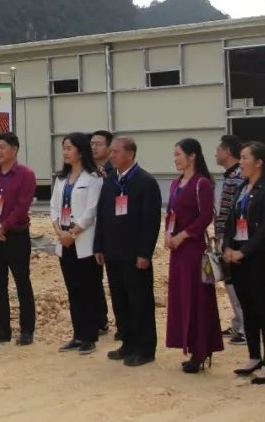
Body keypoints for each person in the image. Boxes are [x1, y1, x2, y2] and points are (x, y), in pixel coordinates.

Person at [94, 136, 162, 367]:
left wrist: (145, 253)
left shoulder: (145, 181)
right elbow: (102, 215)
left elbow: (150, 222)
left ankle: (145, 348)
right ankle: (128, 343)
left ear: (130, 154)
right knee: (120, 301)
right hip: (113, 252)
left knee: (139, 301)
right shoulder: (111, 180)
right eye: (110, 151)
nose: (110, 155)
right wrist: (99, 245)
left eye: (115, 152)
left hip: (135, 254)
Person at [222, 141, 265, 385]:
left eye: (245, 158)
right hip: (235, 254)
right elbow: (230, 220)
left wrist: (244, 251)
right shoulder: (242, 187)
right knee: (246, 306)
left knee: (262, 307)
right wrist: (227, 246)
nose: (241, 162)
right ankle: (254, 356)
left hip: (255, 256)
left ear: (259, 162)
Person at [164, 138, 224, 372]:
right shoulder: (175, 183)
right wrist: (168, 234)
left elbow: (206, 215)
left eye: (179, 154)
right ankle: (188, 344)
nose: (175, 158)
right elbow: (171, 213)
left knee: (197, 297)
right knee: (181, 296)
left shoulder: (202, 183)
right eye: (175, 154)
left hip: (193, 247)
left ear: (192, 156)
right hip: (177, 249)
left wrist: (184, 235)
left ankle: (201, 349)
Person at [0, 132, 38, 345]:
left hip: (16, 236)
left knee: (22, 282)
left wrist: (3, 226)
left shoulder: (26, 174)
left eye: (2, 147)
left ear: (14, 150)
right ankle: (3, 329)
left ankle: (27, 330)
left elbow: (22, 207)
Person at [50, 133, 104, 355]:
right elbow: (53, 207)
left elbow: (91, 212)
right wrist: (59, 232)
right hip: (65, 242)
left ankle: (90, 337)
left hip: (84, 242)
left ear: (80, 152)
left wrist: (72, 233)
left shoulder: (94, 179)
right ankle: (77, 334)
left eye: (69, 148)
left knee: (88, 290)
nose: (64, 152)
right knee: (73, 290)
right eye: (63, 148)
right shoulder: (61, 179)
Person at [214, 135, 247, 346]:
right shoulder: (230, 175)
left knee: (236, 281)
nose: (216, 153)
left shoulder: (238, 175)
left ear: (227, 152)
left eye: (218, 149)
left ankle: (245, 328)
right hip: (224, 234)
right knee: (229, 280)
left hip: (234, 236)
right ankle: (238, 322)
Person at [89, 129, 115, 336]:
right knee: (93, 278)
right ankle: (99, 319)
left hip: (111, 229)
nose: (94, 147)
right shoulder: (87, 170)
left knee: (116, 279)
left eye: (98, 143)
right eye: (92, 144)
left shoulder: (115, 170)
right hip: (90, 230)